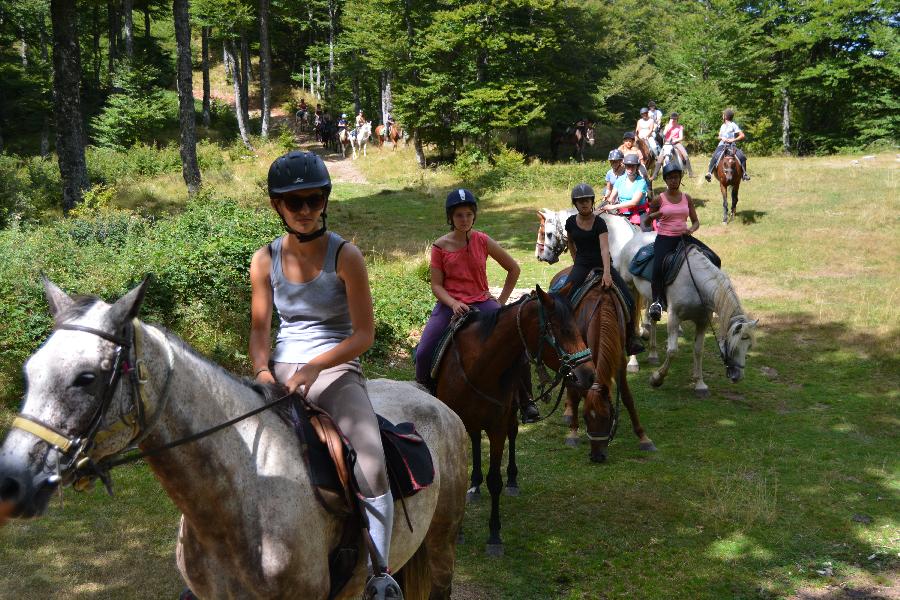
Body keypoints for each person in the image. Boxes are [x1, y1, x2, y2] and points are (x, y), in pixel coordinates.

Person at [249, 151, 402, 598]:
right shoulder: (265, 260)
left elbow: (364, 334)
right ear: (278, 206)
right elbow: (260, 330)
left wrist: (317, 366)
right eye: (293, 202)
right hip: (279, 371)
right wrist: (262, 371)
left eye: (313, 200)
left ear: (325, 200)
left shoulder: (346, 255)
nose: (304, 211)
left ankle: (380, 572)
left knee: (371, 459)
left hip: (335, 368)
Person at [415, 189, 540, 423]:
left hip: (483, 303)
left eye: (469, 215)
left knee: (517, 345)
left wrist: (500, 303)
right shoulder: (439, 246)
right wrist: (453, 303)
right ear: (450, 217)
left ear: (474, 216)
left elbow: (513, 268)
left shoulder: (483, 240)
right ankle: (425, 394)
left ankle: (526, 400)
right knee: (423, 352)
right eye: (459, 215)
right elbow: (436, 286)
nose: (464, 219)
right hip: (451, 305)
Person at [565, 184, 644, 355]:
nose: (584, 204)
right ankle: (567, 335)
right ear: (575, 204)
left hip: (602, 263)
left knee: (629, 299)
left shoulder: (599, 223)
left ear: (592, 202)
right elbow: (570, 241)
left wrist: (607, 273)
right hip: (581, 264)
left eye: (587, 200)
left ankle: (630, 339)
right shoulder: (570, 222)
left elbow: (604, 249)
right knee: (564, 296)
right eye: (580, 201)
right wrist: (575, 260)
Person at [646, 162, 720, 321]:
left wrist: (691, 230)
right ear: (665, 180)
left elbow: (695, 222)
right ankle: (657, 302)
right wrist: (653, 216)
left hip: (684, 238)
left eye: (676, 177)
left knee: (714, 258)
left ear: (680, 178)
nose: (673, 180)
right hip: (665, 238)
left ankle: (713, 297)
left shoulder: (687, 198)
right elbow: (646, 221)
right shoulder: (659, 199)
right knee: (658, 267)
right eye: (670, 178)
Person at [600, 153, 652, 232]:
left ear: (637, 167)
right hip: (622, 212)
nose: (630, 169)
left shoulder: (641, 182)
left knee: (646, 230)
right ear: (625, 166)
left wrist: (614, 206)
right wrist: (605, 204)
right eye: (628, 166)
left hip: (639, 212)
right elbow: (612, 198)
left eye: (633, 166)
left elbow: (634, 203)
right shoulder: (620, 180)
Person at [705, 108, 750, 182]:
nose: (722, 116)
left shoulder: (733, 125)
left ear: (725, 116)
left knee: (742, 156)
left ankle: (744, 174)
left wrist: (733, 140)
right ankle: (709, 173)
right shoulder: (722, 126)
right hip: (722, 145)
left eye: (723, 114)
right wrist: (722, 138)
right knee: (715, 156)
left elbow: (742, 135)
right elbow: (719, 136)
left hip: (732, 145)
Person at [654, 112, 695, 178]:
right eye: (672, 119)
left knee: (685, 155)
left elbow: (681, 137)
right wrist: (669, 127)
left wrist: (675, 140)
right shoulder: (667, 126)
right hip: (667, 143)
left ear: (677, 119)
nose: (673, 120)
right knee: (660, 157)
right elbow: (663, 134)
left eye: (674, 119)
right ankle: (655, 174)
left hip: (676, 143)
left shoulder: (680, 127)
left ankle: (690, 172)